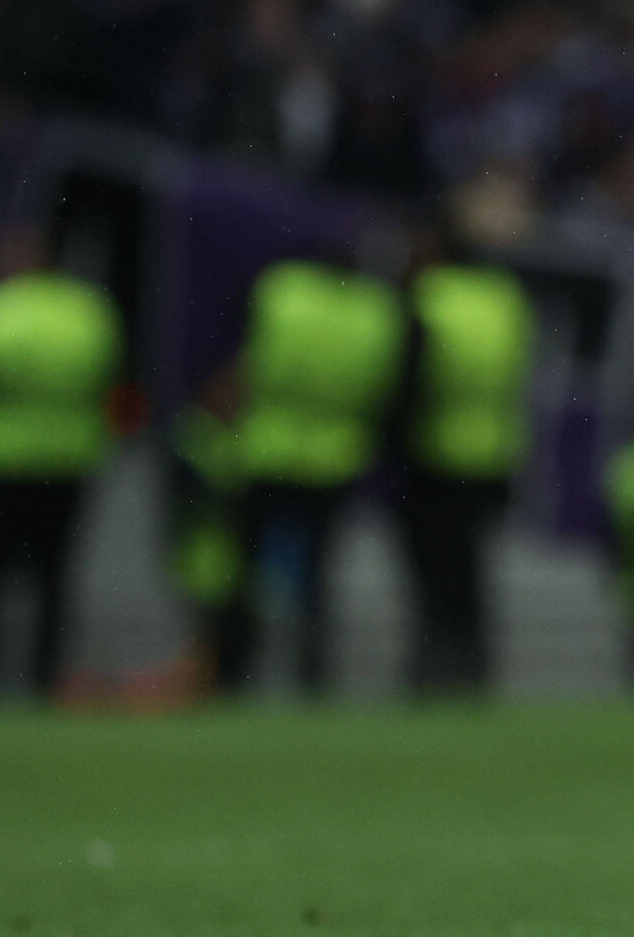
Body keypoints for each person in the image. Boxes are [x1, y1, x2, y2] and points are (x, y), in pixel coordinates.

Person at [213, 261, 404, 694]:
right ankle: (312, 675)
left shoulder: (281, 292)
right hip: (334, 455)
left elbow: (249, 365)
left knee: (242, 572)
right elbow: (382, 384)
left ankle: (231, 672)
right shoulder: (372, 308)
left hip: (268, 446)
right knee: (317, 578)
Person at [0, 265, 124, 699]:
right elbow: (115, 383)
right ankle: (42, 678)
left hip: (0, 456)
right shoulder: (89, 312)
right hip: (69, 457)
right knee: (54, 579)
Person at [394, 261, 534, 693]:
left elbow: (411, 377)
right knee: (471, 576)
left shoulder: (430, 295)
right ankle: (473, 672)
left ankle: (435, 672)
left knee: (435, 578)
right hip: (493, 453)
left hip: (434, 453)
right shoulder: (506, 299)